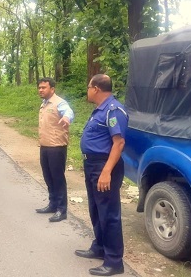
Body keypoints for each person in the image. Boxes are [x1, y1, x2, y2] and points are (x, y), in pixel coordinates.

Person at [75, 74, 128, 276]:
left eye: (89, 87)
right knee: (96, 210)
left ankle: (114, 261)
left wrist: (106, 171)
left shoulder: (113, 110)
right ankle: (100, 247)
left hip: (105, 167)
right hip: (93, 165)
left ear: (96, 88)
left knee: (109, 214)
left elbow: (119, 143)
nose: (87, 91)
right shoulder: (100, 110)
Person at [35, 77, 74, 222]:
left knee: (58, 179)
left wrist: (67, 118)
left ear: (52, 89)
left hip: (57, 148)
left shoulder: (60, 103)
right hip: (45, 147)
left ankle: (61, 210)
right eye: (39, 87)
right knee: (48, 177)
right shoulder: (44, 104)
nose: (41, 90)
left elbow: (68, 112)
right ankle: (52, 204)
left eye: (44, 87)